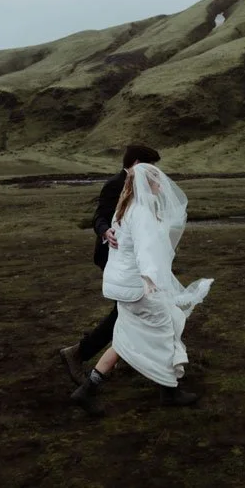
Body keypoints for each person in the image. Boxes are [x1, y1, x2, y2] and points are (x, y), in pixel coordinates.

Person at [70, 163, 213, 416]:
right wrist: (149, 278)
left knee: (125, 338)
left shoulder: (124, 208)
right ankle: (169, 391)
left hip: (122, 286)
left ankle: (87, 389)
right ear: (146, 184)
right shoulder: (141, 213)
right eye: (157, 180)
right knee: (166, 329)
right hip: (139, 287)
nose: (162, 185)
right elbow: (144, 250)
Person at [59, 144, 161, 386]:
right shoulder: (114, 184)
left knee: (130, 311)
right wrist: (105, 231)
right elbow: (99, 216)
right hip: (114, 257)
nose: (154, 171)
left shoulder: (141, 184)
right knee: (126, 312)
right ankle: (79, 353)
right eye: (151, 165)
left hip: (134, 259)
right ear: (137, 164)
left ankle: (119, 358)